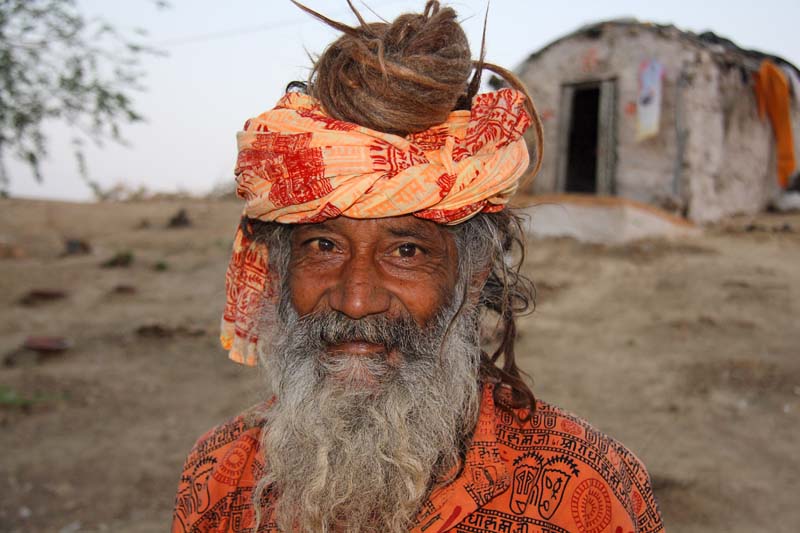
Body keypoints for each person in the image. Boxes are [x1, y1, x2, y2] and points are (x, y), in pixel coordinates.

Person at [172, 2, 665, 532]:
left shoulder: (586, 492)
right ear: (276, 270)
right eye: (322, 246)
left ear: (472, 275)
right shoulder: (219, 476)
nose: (356, 299)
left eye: (406, 251)